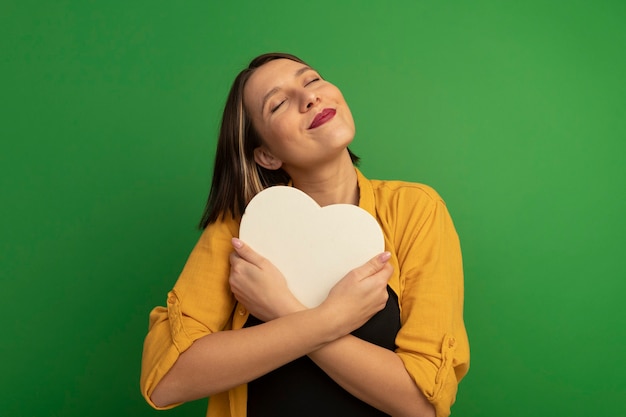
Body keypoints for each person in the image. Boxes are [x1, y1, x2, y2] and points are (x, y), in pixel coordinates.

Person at [140, 52, 469, 417]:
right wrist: (330, 319)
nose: (310, 97)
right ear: (266, 155)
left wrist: (282, 308)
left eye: (311, 80)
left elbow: (421, 404)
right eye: (279, 103)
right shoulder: (239, 228)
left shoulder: (415, 210)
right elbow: (167, 378)